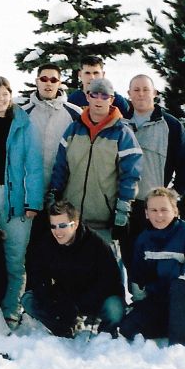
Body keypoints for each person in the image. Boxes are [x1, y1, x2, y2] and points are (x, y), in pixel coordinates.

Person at [120, 189, 185, 347]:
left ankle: (182, 346)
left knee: (180, 286)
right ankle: (179, 326)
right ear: (146, 213)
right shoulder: (143, 239)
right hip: (163, 300)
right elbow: (139, 280)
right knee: (129, 328)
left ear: (175, 211)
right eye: (153, 210)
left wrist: (174, 269)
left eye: (164, 210)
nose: (159, 215)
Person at [0, 76, 44, 324]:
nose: (2, 98)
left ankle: (11, 307)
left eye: (6, 93)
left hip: (17, 198)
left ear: (11, 95)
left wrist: (33, 202)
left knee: (14, 256)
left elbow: (35, 165)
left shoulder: (23, 124)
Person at [51, 77, 142, 246]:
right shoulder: (73, 129)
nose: (99, 100)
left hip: (104, 222)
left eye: (104, 96)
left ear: (112, 100)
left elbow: (131, 175)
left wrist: (123, 209)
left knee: (105, 269)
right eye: (95, 95)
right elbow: (61, 167)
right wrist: (54, 195)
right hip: (72, 219)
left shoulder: (122, 133)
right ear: (87, 97)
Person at [22, 201, 125, 338]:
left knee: (115, 308)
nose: (57, 231)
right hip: (66, 299)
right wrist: (53, 301)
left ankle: (105, 335)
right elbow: (39, 277)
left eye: (63, 226)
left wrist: (83, 301)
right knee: (28, 300)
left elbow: (110, 281)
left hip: (95, 298)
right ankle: (63, 327)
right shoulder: (46, 244)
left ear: (75, 224)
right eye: (53, 226)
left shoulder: (96, 244)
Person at [123, 74, 185, 259]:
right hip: (122, 205)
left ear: (155, 93)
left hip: (153, 209)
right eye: (136, 90)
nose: (141, 94)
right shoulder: (119, 123)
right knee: (125, 258)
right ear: (129, 94)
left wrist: (175, 193)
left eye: (145, 89)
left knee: (153, 260)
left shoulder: (170, 125)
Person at [22, 63, 82, 179]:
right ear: (37, 81)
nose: (48, 83)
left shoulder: (75, 113)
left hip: (63, 186)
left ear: (59, 83)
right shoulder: (22, 114)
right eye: (44, 79)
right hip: (30, 186)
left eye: (53, 80)